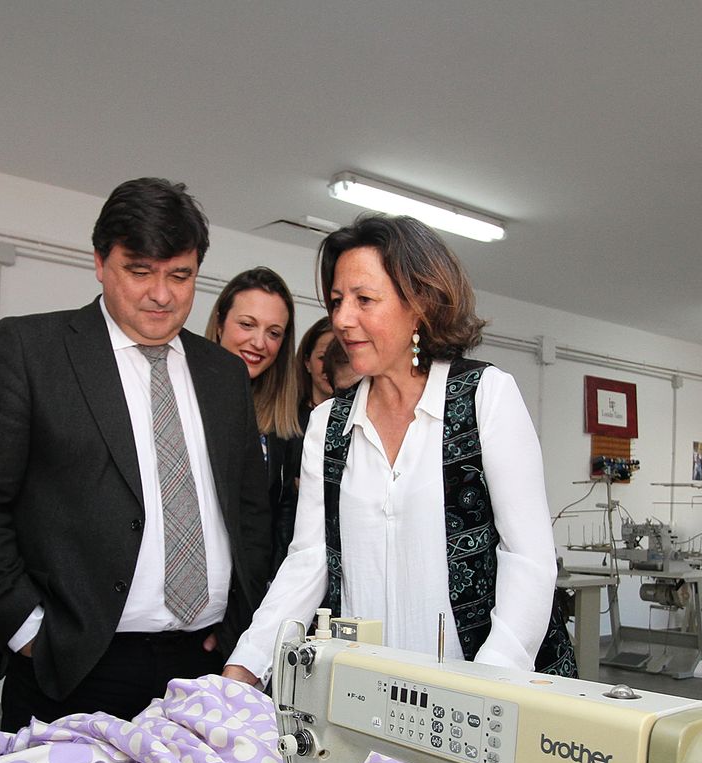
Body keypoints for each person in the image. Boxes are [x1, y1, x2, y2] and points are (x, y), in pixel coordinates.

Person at [0, 178, 270, 735]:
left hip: (205, 663)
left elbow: (251, 512)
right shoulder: (32, 351)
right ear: (100, 262)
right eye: (139, 271)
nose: (161, 295)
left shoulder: (223, 374)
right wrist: (28, 632)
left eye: (180, 276)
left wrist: (243, 624)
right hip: (76, 663)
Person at [224, 214, 568, 685]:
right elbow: (307, 563)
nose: (343, 319)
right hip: (365, 695)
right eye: (338, 300)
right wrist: (244, 669)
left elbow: (528, 560)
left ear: (420, 304)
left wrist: (490, 684)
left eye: (365, 300)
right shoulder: (329, 425)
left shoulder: (484, 396)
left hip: (482, 694)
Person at [204, 267, 304, 574]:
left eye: (273, 333)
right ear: (220, 323)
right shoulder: (184, 397)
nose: (259, 343)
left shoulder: (283, 422)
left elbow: (273, 519)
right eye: (247, 324)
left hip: (246, 593)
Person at [296, 316, 335, 430]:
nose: (330, 368)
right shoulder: (285, 418)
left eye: (340, 359)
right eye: (323, 358)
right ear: (307, 362)